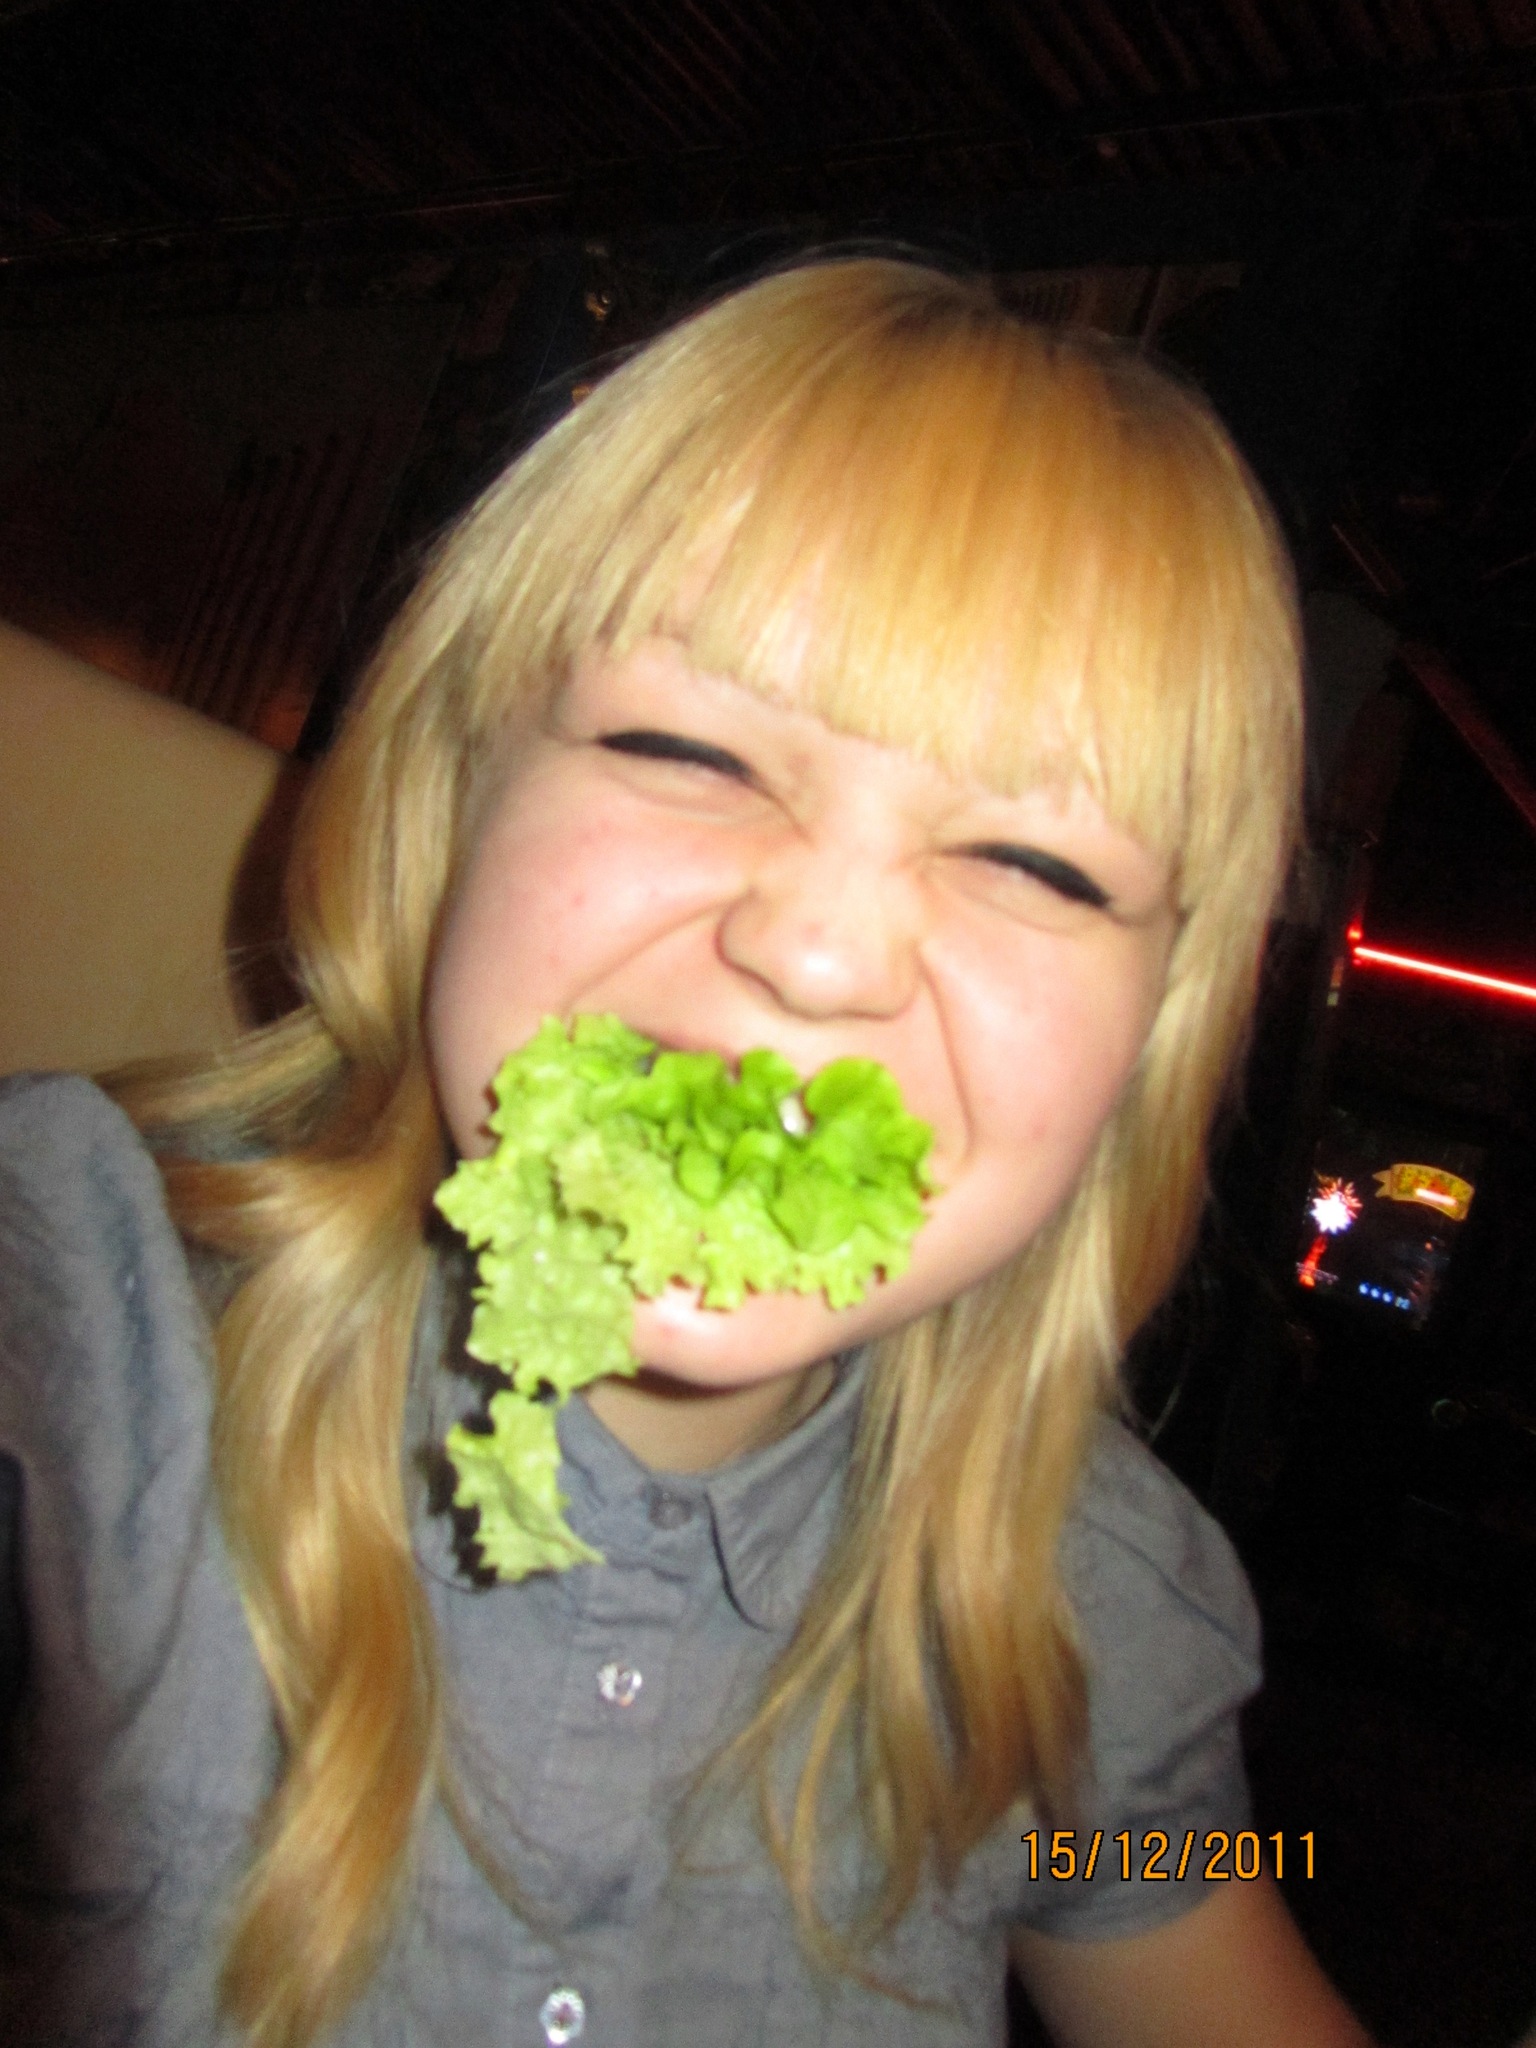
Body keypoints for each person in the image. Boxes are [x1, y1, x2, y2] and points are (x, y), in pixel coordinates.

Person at [0, 258, 1375, 2048]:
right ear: (451, 796)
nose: (821, 950)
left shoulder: (1090, 1604)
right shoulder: (68, 1321)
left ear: (1149, 1038)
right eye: (690, 748)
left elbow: (1192, 1925)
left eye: (1036, 863)